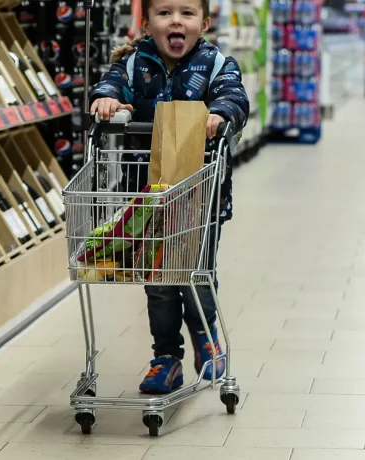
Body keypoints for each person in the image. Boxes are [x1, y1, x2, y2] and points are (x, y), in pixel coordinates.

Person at [88, 0, 249, 394]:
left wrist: (221, 112)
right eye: (164, 13)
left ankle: (204, 333)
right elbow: (110, 84)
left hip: (200, 197)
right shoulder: (132, 64)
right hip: (147, 200)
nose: (176, 21)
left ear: (204, 23)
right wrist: (108, 98)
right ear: (148, 23)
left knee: (195, 275)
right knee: (158, 282)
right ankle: (165, 358)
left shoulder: (216, 64)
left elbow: (235, 98)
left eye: (187, 13)